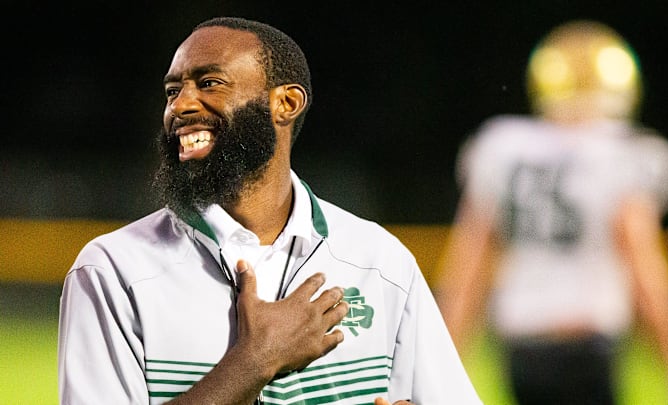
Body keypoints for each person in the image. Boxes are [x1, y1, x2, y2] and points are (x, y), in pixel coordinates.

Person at [57, 16, 483, 405]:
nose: (181, 106)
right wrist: (254, 362)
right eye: (173, 91)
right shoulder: (113, 271)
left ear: (286, 103)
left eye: (209, 83)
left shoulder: (380, 262)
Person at [435, 20, 668, 405]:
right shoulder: (622, 154)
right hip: (586, 345)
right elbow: (642, 266)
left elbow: (467, 268)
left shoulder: (501, 147)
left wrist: (435, 366)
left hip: (520, 349)